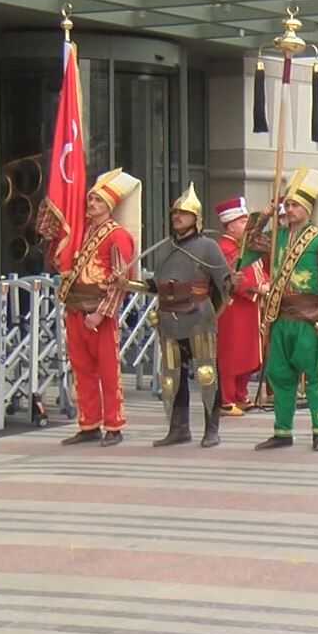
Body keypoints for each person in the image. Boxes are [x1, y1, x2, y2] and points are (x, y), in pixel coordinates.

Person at [119, 184, 235, 448]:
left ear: (196, 218)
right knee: (171, 378)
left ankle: (211, 429)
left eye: (183, 213)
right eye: (175, 213)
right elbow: (156, 286)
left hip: (198, 318)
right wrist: (123, 284)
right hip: (169, 318)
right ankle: (178, 429)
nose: (177, 217)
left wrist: (231, 283)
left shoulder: (208, 247)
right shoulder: (165, 247)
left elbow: (224, 284)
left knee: (206, 374)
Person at [239, 167, 318, 451]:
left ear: (308, 208)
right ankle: (282, 430)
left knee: (315, 376)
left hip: (310, 318)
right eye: (288, 204)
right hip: (280, 316)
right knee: (280, 375)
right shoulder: (277, 236)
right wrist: (264, 214)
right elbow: (248, 242)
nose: (290, 208)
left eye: (295, 204)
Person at [39, 168, 140, 446]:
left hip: (99, 312)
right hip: (74, 308)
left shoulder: (118, 236)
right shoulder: (79, 230)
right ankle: (89, 423)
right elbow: (50, 235)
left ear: (109, 206)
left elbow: (121, 281)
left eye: (97, 201)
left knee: (108, 370)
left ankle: (114, 425)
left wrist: (101, 313)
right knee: (81, 370)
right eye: (90, 200)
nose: (91, 204)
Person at [214, 195, 265, 415]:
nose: (246, 225)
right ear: (230, 224)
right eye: (243, 221)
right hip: (233, 309)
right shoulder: (224, 247)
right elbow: (231, 277)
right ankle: (225, 399)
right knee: (231, 354)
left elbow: (258, 269)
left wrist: (266, 282)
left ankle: (240, 394)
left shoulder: (244, 246)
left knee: (248, 353)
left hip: (250, 309)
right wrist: (255, 288)